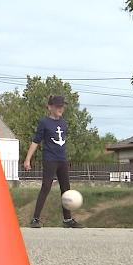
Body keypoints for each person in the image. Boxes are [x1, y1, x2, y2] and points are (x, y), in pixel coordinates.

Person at [23, 95, 82, 228]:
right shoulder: (44, 122)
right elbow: (36, 141)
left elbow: (63, 143)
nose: (60, 108)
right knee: (46, 187)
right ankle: (35, 219)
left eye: (62, 106)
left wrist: (67, 159)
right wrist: (28, 159)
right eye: (57, 106)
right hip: (50, 160)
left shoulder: (64, 123)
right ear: (50, 107)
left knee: (66, 189)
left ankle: (67, 220)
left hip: (62, 160)